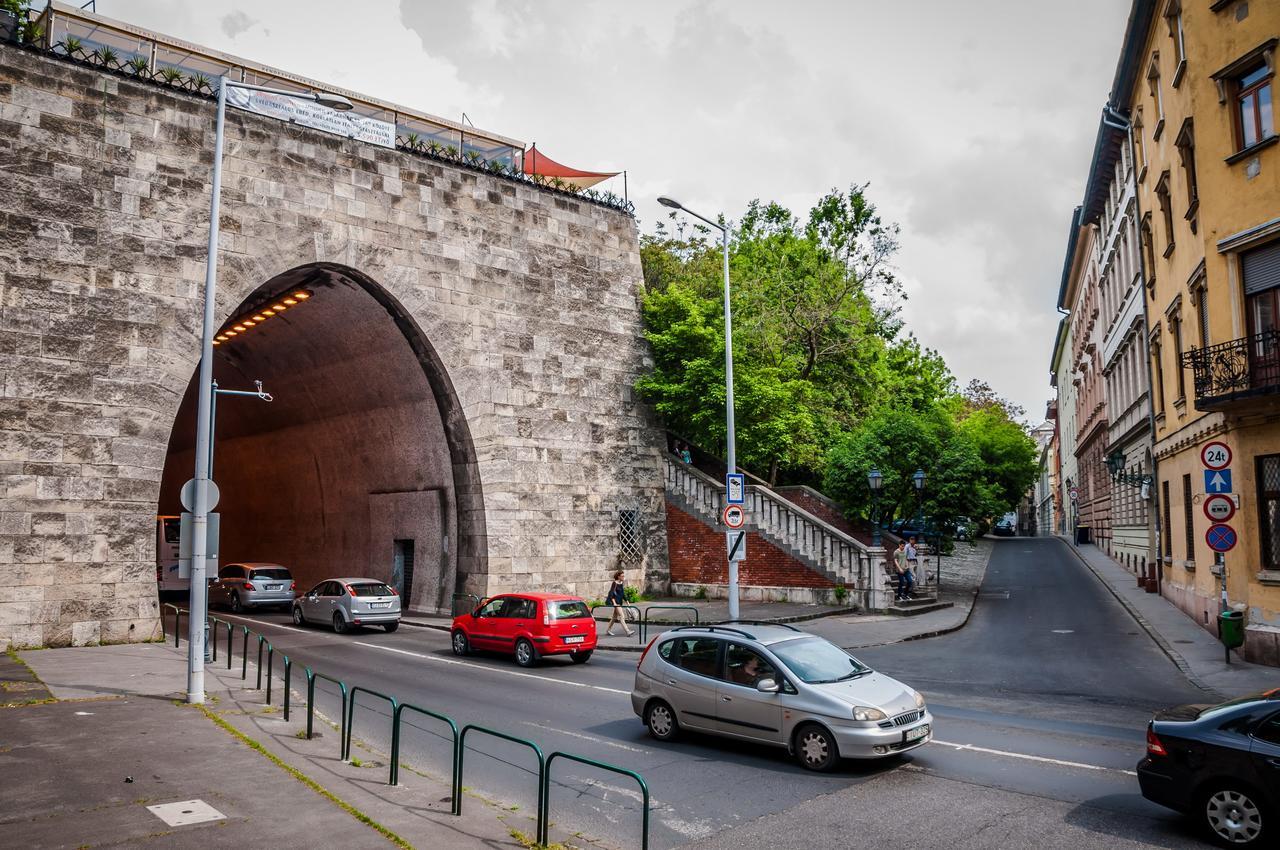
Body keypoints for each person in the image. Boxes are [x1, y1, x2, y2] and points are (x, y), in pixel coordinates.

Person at [605, 570, 633, 636]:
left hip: (619, 602)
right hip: (616, 602)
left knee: (614, 617)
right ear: (618, 577)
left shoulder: (621, 583)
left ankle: (608, 630)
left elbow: (623, 594)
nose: (623, 577)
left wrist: (627, 602)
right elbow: (612, 593)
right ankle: (628, 631)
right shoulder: (615, 583)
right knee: (622, 616)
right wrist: (614, 603)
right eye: (622, 576)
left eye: (624, 576)